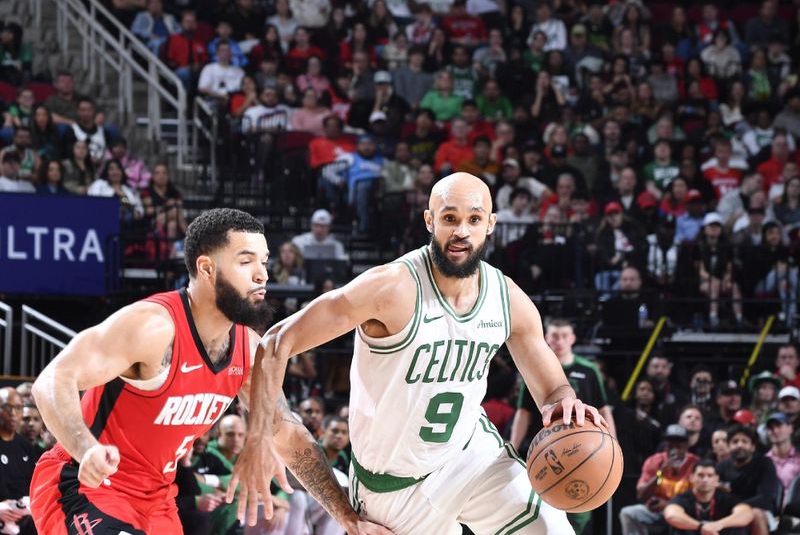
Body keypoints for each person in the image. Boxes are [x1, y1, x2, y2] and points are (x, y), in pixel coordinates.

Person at [233, 172, 606, 534]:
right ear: (430, 220)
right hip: (391, 486)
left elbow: (553, 390)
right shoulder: (390, 287)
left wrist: (565, 402)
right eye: (450, 218)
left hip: (470, 457)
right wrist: (261, 437)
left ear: (490, 224)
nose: (461, 230)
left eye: (474, 219)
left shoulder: (506, 298)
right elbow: (276, 342)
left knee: (551, 529)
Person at [28, 208, 390, 534]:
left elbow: (288, 433)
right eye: (246, 262)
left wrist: (349, 520)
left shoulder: (247, 348)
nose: (262, 274)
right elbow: (53, 380)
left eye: (264, 261)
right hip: (84, 483)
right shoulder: (153, 327)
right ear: (206, 268)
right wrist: (86, 448)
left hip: (157, 500)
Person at [510, 319, 616, 534]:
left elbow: (604, 410)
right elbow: (523, 412)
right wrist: (513, 446)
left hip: (585, 452)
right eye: (554, 336)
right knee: (541, 515)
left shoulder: (589, 370)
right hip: (547, 451)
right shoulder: (534, 372)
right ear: (546, 338)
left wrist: (613, 445)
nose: (559, 341)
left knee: (580, 513)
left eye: (564, 335)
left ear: (573, 339)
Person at [620, 425, 700, 535]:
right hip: (657, 512)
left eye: (679, 445)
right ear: (665, 446)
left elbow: (699, 497)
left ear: (686, 446)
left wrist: (669, 505)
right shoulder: (654, 461)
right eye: (671, 444)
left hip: (684, 512)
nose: (675, 449)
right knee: (628, 513)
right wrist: (660, 473)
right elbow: (641, 495)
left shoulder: (695, 463)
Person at [716, 425, 781, 535]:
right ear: (728, 446)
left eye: (744, 441)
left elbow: (766, 496)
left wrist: (739, 508)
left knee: (755, 514)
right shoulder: (721, 467)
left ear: (752, 447)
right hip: (730, 511)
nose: (740, 445)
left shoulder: (765, 463)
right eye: (735, 442)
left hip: (760, 509)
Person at [663, 459, 754, 535]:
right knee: (677, 527)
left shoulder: (726, 497)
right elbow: (671, 515)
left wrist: (718, 525)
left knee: (739, 527)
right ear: (691, 477)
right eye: (700, 475)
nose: (705, 480)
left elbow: (746, 514)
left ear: (716, 479)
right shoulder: (683, 497)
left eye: (710, 476)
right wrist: (701, 527)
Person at [0, 387, 36, 533]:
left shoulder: (25, 446)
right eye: (8, 408)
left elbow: (35, 486)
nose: (13, 414)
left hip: (25, 516)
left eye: (18, 408)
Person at [765, 412, 800, 503]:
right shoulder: (763, 462)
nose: (775, 431)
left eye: (779, 426)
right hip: (770, 511)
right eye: (771, 428)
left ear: (790, 428)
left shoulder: (798, 458)